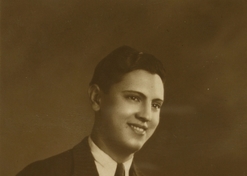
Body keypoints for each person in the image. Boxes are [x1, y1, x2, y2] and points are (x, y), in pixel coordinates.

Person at [17, 45, 166, 176]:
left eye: (156, 105)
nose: (146, 115)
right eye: (134, 98)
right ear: (97, 98)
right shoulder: (41, 173)